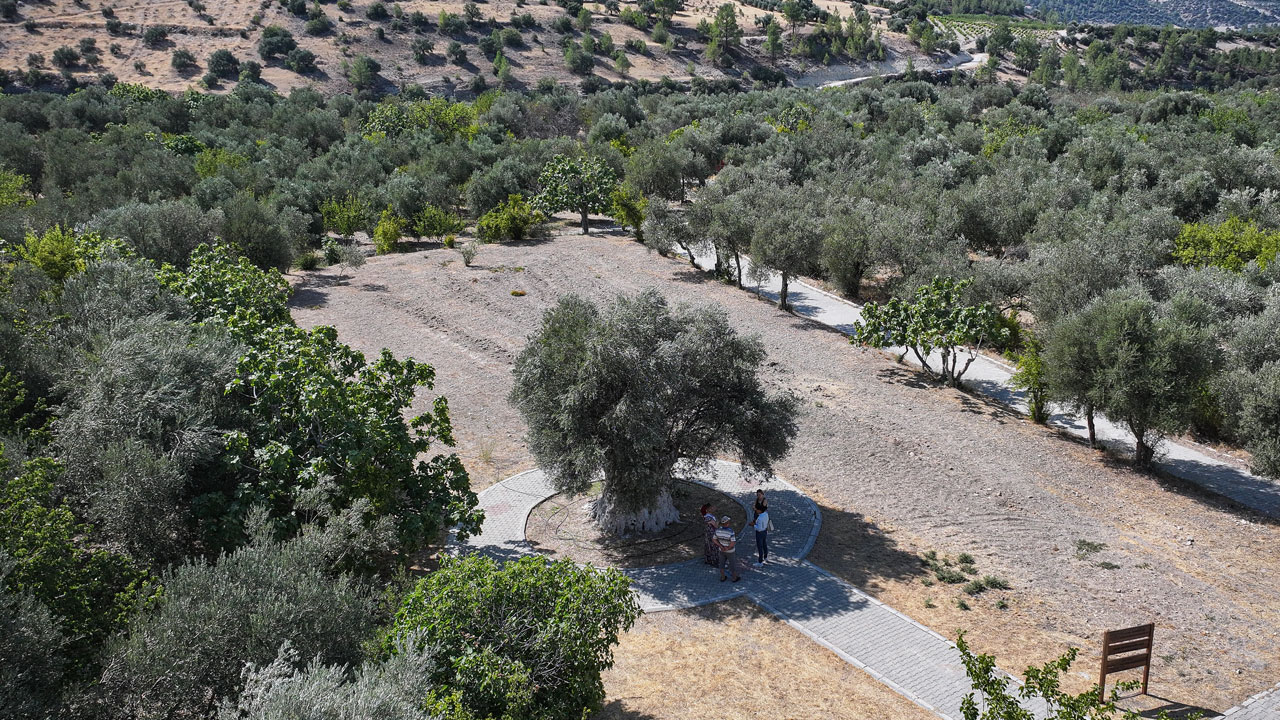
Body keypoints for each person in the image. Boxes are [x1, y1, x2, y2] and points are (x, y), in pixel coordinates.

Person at [714, 515, 740, 582]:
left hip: (721, 550)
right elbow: (733, 542)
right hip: (730, 551)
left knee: (721, 564)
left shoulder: (717, 530)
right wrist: (728, 548)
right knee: (732, 564)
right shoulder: (730, 532)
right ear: (728, 523)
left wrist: (720, 546)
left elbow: (714, 539)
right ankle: (734, 578)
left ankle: (722, 577)